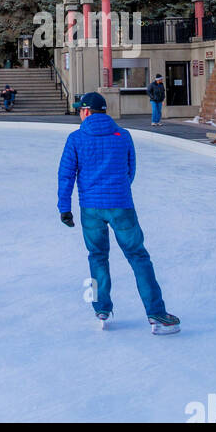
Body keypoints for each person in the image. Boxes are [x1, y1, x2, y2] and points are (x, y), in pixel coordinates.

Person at [57, 90, 180, 334]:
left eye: (80, 110)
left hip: (91, 209)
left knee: (96, 256)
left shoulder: (76, 138)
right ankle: (156, 313)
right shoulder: (123, 135)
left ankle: (101, 308)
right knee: (138, 257)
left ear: (86, 111)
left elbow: (66, 175)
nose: (79, 114)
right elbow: (130, 170)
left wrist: (64, 208)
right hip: (122, 205)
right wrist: (118, 191)